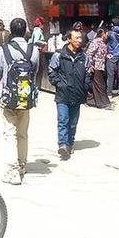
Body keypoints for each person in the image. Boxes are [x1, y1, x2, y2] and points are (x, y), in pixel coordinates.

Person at [0, 18, 39, 184]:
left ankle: (12, 172)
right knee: (22, 133)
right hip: (25, 97)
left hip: (8, 97)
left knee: (9, 133)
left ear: (11, 31)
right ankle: (22, 164)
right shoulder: (33, 50)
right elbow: (35, 72)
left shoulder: (2, 50)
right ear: (26, 30)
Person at [48, 28, 92, 160]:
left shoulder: (84, 57)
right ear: (69, 39)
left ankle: (70, 142)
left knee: (73, 122)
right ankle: (62, 144)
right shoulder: (59, 55)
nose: (79, 40)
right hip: (63, 94)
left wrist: (85, 87)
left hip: (77, 95)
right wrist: (59, 84)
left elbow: (88, 73)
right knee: (63, 120)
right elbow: (51, 71)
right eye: (76, 38)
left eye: (80, 38)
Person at [86, 29, 111, 109]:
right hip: (95, 66)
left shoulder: (104, 43)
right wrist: (90, 65)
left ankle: (90, 101)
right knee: (100, 85)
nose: (107, 35)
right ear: (102, 34)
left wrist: (108, 56)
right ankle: (104, 103)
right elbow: (89, 53)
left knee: (96, 85)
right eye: (106, 33)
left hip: (101, 66)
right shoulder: (95, 42)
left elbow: (102, 54)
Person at [106, 17, 119, 98]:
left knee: (110, 75)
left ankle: (109, 94)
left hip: (112, 56)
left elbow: (104, 41)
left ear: (112, 24)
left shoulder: (110, 33)